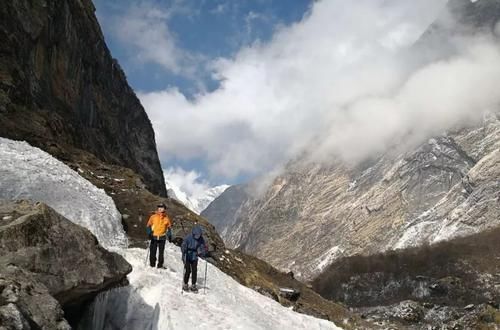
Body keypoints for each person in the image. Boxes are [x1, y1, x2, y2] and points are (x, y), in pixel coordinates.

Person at [181, 225, 208, 292]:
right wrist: (184, 251)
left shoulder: (201, 239)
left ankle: (193, 285)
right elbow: (183, 245)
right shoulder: (188, 238)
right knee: (187, 270)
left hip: (194, 256)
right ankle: (185, 284)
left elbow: (202, 247)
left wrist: (204, 252)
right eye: (197, 235)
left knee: (194, 270)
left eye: (199, 235)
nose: (198, 236)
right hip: (187, 255)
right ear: (193, 233)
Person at [146, 203, 172, 268]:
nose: (160, 208)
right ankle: (152, 265)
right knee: (152, 252)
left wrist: (169, 235)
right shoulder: (153, 216)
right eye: (159, 207)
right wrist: (149, 233)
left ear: (164, 209)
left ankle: (160, 266)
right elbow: (148, 226)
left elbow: (169, 228)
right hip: (154, 237)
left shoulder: (166, 218)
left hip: (162, 238)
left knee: (161, 253)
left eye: (161, 207)